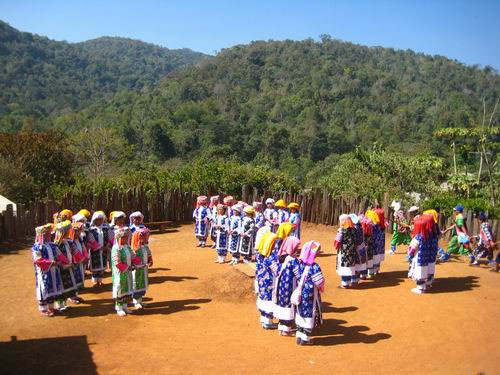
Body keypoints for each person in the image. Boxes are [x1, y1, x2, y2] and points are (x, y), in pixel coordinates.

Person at [293, 240, 325, 346]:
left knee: (300, 311)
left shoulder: (300, 263)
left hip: (300, 292)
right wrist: (321, 287)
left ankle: (299, 334)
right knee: (309, 313)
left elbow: (297, 275)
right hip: (310, 294)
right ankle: (305, 338)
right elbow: (319, 281)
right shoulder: (314, 267)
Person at [271, 236, 301, 336]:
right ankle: (286, 330)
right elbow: (299, 275)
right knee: (288, 307)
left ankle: (281, 327)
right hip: (289, 288)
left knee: (281, 306)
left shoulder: (282, 258)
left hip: (280, 287)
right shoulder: (293, 261)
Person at [32, 224, 63, 317]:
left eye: (49, 234)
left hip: (53, 271)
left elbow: (59, 255)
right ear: (41, 235)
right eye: (47, 234)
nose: (49, 235)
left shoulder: (52, 245)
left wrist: (63, 261)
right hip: (44, 272)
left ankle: (51, 307)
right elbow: (38, 260)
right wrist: (51, 263)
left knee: (53, 288)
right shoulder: (37, 247)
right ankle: (43, 309)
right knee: (44, 288)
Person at [254, 226, 278, 329]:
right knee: (269, 301)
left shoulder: (259, 255)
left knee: (263, 299)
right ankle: (268, 322)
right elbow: (277, 270)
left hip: (261, 282)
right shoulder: (270, 258)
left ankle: (263, 319)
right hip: (270, 284)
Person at [54, 220, 78, 310]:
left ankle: (64, 304)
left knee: (67, 286)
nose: (68, 232)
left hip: (68, 267)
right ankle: (59, 305)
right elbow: (57, 256)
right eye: (67, 230)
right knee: (61, 286)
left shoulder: (66, 242)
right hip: (61, 268)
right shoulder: (57, 245)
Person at [407, 215, 433, 294]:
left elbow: (412, 249)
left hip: (418, 258)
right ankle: (423, 286)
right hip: (426, 258)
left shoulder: (418, 237)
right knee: (424, 271)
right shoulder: (428, 235)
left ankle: (420, 288)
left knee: (419, 272)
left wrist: (409, 255)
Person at [88, 211, 113, 286]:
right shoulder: (91, 229)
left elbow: (111, 237)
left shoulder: (105, 228)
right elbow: (90, 239)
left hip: (104, 250)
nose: (100, 221)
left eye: (101, 219)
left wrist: (107, 245)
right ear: (94, 220)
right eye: (98, 219)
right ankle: (95, 281)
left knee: (102, 266)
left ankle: (100, 281)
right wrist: (97, 246)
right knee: (95, 265)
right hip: (94, 251)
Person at [130, 227, 153, 309]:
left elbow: (149, 254)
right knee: (137, 284)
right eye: (144, 237)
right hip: (137, 271)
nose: (146, 238)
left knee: (143, 284)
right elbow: (132, 259)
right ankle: (136, 301)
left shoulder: (145, 247)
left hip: (144, 270)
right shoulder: (134, 249)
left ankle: (140, 300)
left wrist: (150, 260)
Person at [334, 214, 357, 288]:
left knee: (344, 267)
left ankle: (345, 284)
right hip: (352, 252)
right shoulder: (354, 230)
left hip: (344, 252)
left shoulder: (341, 231)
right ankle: (348, 282)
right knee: (350, 267)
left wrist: (336, 247)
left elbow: (337, 242)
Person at [70, 222, 88, 302]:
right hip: (75, 263)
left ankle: (76, 295)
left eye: (80, 231)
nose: (79, 233)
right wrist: (81, 259)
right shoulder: (71, 241)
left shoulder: (80, 240)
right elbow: (74, 252)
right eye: (78, 231)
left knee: (78, 279)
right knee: (73, 279)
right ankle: (72, 297)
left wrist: (86, 257)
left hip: (80, 263)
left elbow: (83, 248)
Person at [351, 213, 367, 281]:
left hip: (357, 248)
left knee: (356, 264)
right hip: (362, 247)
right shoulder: (360, 227)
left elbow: (354, 239)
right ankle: (361, 276)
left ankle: (355, 279)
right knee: (361, 263)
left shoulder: (354, 228)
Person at [373, 207, 386, 274]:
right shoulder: (383, 225)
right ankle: (377, 269)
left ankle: (373, 270)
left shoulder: (373, 226)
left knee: (374, 253)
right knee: (379, 253)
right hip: (380, 245)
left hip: (374, 245)